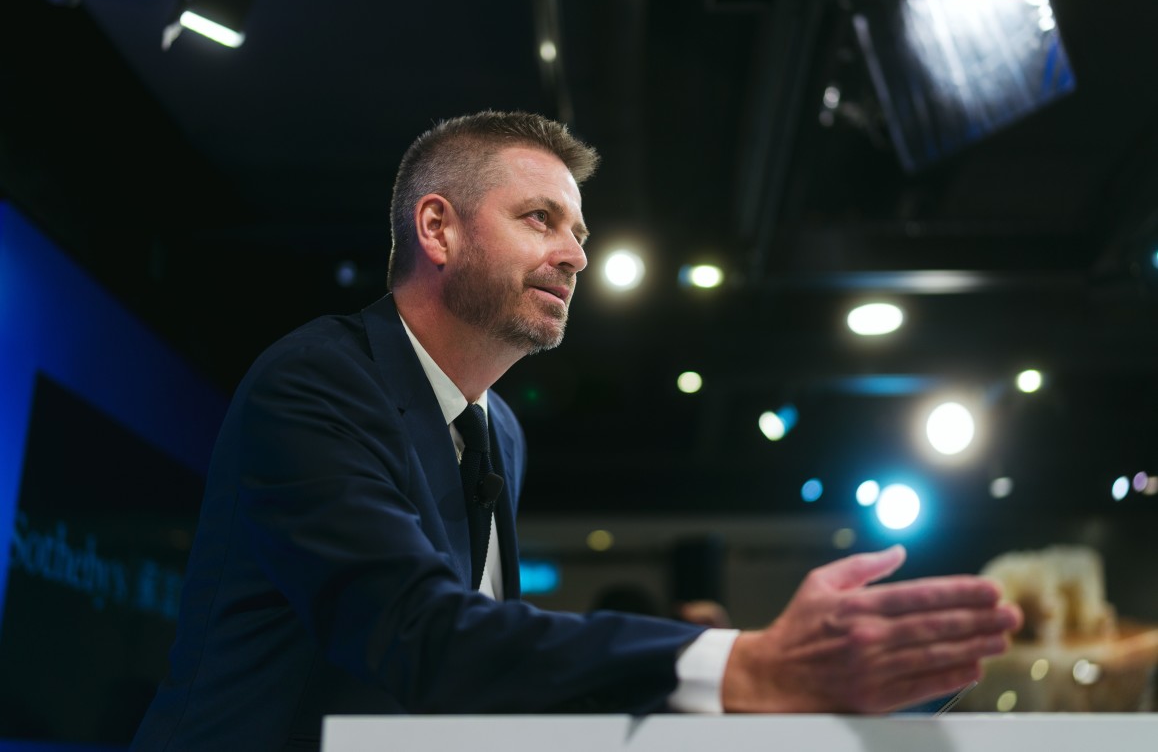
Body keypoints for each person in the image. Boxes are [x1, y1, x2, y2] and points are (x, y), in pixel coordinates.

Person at [130, 110, 1022, 750]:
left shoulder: (499, 432)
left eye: (581, 231)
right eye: (540, 219)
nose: (577, 254)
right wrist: (742, 666)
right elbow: (415, 634)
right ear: (437, 227)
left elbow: (484, 673)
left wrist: (799, 706)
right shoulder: (316, 381)